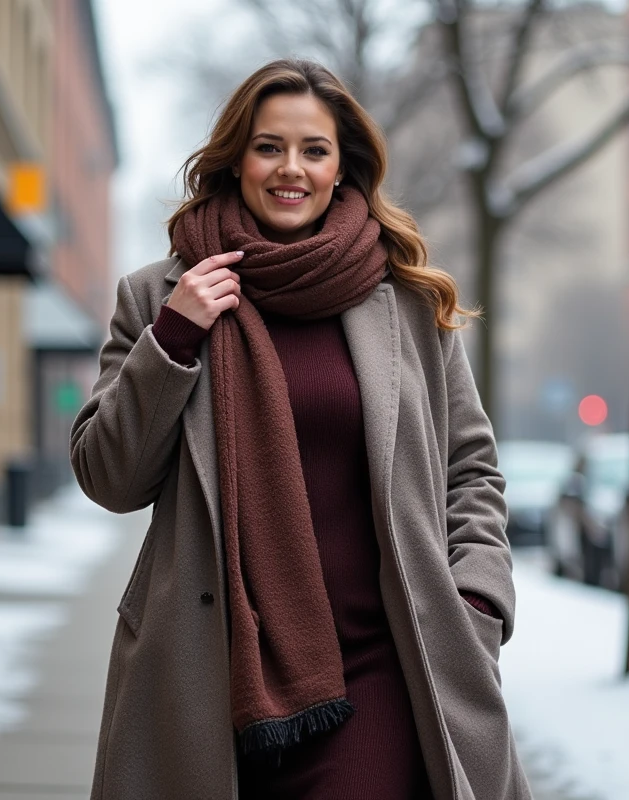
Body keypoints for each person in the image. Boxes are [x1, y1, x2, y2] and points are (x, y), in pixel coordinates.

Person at [71, 59, 530, 799]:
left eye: (314, 149)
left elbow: (470, 470)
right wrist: (174, 340)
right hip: (207, 669)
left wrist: (475, 600)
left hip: (385, 658)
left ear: (343, 166)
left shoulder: (407, 302)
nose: (292, 169)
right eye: (269, 146)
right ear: (236, 159)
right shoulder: (160, 296)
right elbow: (108, 477)